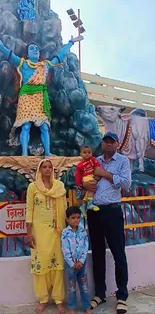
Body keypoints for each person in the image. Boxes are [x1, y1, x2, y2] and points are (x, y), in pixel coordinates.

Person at [0, 35, 83, 156]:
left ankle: (48, 152)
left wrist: (71, 42)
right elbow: (6, 51)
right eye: (32, 48)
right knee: (26, 125)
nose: (35, 50)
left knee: (44, 126)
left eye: (37, 49)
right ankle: (24, 154)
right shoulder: (22, 63)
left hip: (40, 97)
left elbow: (59, 57)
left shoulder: (44, 65)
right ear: (27, 54)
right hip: (26, 97)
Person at [83, 132, 131, 314]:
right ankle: (100, 293)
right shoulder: (93, 160)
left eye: (112, 142)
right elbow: (83, 182)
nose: (109, 144)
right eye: (106, 141)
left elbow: (126, 183)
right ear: (102, 143)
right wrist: (84, 186)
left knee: (118, 253)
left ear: (117, 144)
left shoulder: (123, 161)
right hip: (94, 212)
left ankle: (122, 296)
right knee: (97, 254)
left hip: (112, 211)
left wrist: (106, 174)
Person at [26, 159, 67, 314]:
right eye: (44, 167)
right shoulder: (33, 187)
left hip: (57, 231)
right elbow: (29, 210)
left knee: (58, 265)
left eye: (50, 167)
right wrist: (29, 233)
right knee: (41, 265)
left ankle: (58, 300)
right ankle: (43, 299)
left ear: (53, 169)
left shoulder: (59, 186)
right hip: (39, 231)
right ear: (39, 169)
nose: (47, 169)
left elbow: (65, 208)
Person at [61, 206, 93, 314]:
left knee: (84, 286)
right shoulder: (65, 233)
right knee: (71, 287)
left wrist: (81, 261)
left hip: (81, 264)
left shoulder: (83, 232)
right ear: (67, 219)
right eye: (73, 217)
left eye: (78, 217)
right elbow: (65, 249)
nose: (76, 220)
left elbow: (85, 247)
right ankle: (72, 307)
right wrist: (71, 263)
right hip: (70, 266)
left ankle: (87, 306)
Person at [75, 146, 101, 218]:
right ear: (81, 154)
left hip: (92, 176)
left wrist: (97, 175)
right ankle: (89, 204)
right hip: (86, 177)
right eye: (84, 152)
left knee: (88, 192)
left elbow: (98, 166)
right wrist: (79, 183)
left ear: (92, 153)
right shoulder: (80, 165)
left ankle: (83, 205)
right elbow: (78, 175)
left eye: (89, 152)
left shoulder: (93, 160)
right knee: (92, 188)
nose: (87, 154)